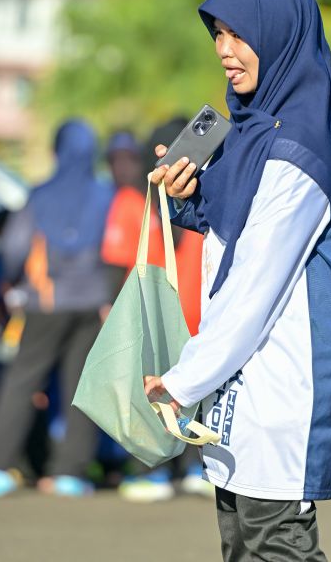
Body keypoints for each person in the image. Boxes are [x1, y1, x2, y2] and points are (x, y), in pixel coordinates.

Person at [145, 0, 331, 560]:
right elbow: (235, 229)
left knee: (276, 546)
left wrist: (183, 381)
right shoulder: (252, 129)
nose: (224, 50)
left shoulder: (296, 150)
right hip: (243, 383)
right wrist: (192, 197)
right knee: (245, 546)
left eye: (240, 34)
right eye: (218, 34)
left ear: (280, 34)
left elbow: (254, 283)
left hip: (286, 385)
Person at [0, 119, 114, 498]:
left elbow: (15, 247)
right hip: (93, 303)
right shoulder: (105, 196)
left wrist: (11, 280)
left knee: (22, 380)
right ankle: (70, 474)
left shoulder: (42, 195)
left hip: (46, 300)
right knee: (80, 386)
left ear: (57, 151)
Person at [101, 124, 208, 502]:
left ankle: (153, 472)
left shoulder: (133, 199)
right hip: (198, 312)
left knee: (151, 391)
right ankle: (196, 469)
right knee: (195, 390)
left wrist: (109, 310)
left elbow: (117, 262)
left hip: (151, 312)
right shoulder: (207, 195)